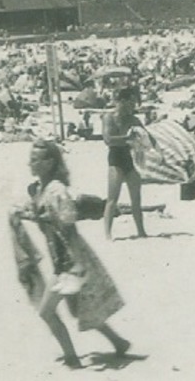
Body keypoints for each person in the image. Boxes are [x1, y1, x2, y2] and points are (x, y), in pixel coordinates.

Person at [11, 140, 132, 369]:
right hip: (64, 258)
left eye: (35, 160)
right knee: (81, 309)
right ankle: (119, 342)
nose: (31, 163)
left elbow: (68, 220)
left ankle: (72, 358)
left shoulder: (56, 189)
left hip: (70, 260)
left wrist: (42, 217)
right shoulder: (41, 188)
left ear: (49, 163)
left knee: (47, 312)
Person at [101, 88, 149, 240]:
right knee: (112, 199)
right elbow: (108, 139)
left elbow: (147, 138)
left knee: (136, 199)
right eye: (130, 102)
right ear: (121, 101)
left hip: (129, 158)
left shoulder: (134, 120)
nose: (133, 106)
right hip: (115, 158)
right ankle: (108, 234)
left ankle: (141, 231)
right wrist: (127, 138)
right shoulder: (109, 118)